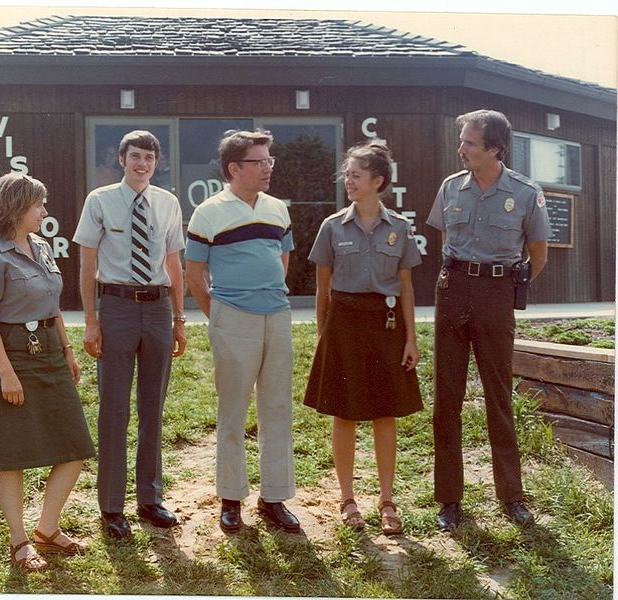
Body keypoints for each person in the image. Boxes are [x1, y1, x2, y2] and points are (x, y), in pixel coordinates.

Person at [426, 109, 551, 530]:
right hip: (454, 289)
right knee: (447, 396)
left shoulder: (526, 191)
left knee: (498, 396)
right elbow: (446, 242)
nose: (461, 148)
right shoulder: (450, 188)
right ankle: (449, 499)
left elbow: (538, 253)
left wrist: (502, 286)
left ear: (494, 148)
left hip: (497, 295)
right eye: (462, 140)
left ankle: (511, 496)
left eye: (469, 143)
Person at [0, 172, 95, 571]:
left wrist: (69, 351)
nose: (45, 210)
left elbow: (53, 305)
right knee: (11, 455)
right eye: (39, 204)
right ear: (17, 208)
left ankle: (47, 529)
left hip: (50, 353)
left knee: (75, 446)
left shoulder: (41, 247)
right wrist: (6, 374)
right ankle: (20, 541)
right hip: (12, 355)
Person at [303, 142, 423, 535]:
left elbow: (406, 288)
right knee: (346, 411)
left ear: (378, 181)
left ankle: (387, 500)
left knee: (384, 412)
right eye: (347, 174)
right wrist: (324, 336)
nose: (348, 181)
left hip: (386, 326)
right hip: (344, 324)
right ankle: (347, 499)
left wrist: (411, 339)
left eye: (356, 175)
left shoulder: (401, 229)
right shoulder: (333, 226)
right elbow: (323, 289)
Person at [73, 130, 186, 539]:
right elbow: (87, 266)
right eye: (135, 156)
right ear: (122, 159)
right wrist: (91, 320)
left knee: (152, 408)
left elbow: (174, 264)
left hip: (157, 308)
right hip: (117, 307)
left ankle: (150, 499)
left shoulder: (168, 203)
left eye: (150, 158)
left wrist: (179, 318)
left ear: (157, 163)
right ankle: (111, 506)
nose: (143, 164)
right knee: (114, 410)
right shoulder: (99, 201)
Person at [185, 129, 299, 534]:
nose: (268, 167)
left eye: (270, 160)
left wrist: (268, 293)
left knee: (277, 409)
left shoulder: (277, 209)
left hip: (278, 316)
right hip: (232, 318)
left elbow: (283, 257)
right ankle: (231, 499)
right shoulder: (208, 212)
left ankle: (275, 498)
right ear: (235, 168)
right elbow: (194, 274)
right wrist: (218, 314)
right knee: (232, 412)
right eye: (259, 161)